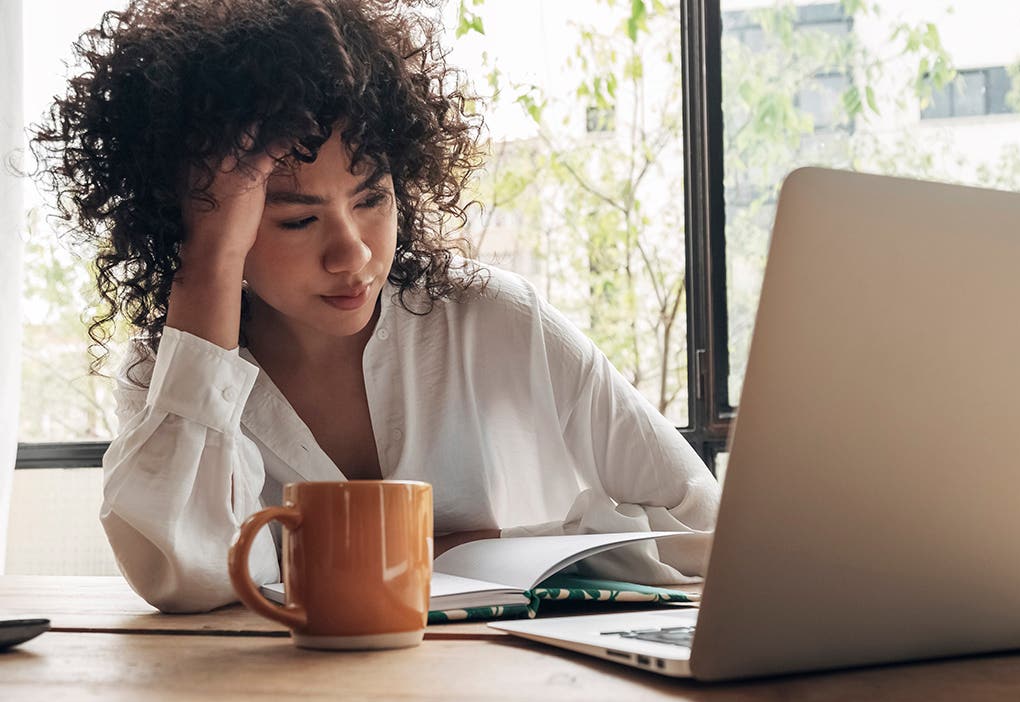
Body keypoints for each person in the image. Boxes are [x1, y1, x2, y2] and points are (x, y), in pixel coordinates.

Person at [34, 0, 719, 613]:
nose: (353, 254)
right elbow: (180, 575)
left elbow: (704, 525)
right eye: (297, 221)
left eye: (372, 199)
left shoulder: (494, 321)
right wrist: (209, 260)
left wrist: (473, 548)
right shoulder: (168, 371)